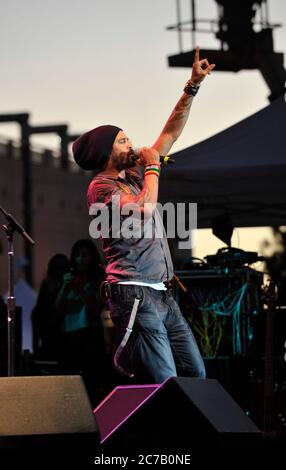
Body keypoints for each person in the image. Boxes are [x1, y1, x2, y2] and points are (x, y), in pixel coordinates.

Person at [72, 47, 215, 384]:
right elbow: (144, 209)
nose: (131, 143)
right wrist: (153, 165)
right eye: (123, 141)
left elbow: (170, 134)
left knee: (195, 373)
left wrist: (191, 87)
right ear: (107, 153)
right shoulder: (102, 189)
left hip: (162, 293)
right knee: (166, 380)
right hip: (133, 293)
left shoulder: (133, 178)